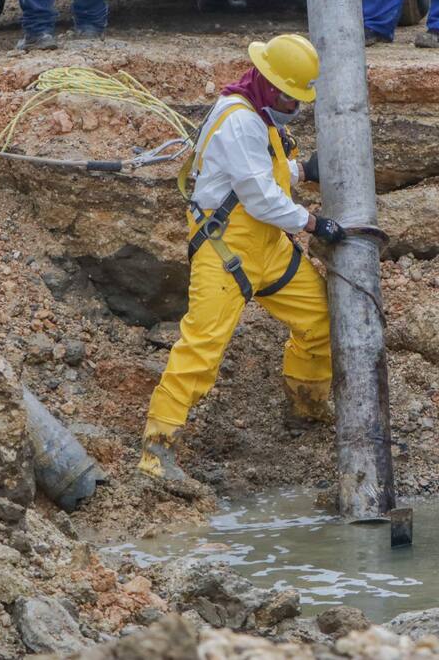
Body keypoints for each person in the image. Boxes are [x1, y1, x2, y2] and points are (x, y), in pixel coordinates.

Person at [138, 34, 347, 492]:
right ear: (271, 85)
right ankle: (157, 450)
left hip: (267, 247)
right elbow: (259, 198)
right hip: (226, 250)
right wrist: (314, 224)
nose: (295, 105)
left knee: (318, 317)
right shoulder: (239, 121)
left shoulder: (258, 116)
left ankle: (305, 408)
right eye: (291, 96)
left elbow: (260, 172)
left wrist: (300, 172)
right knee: (202, 348)